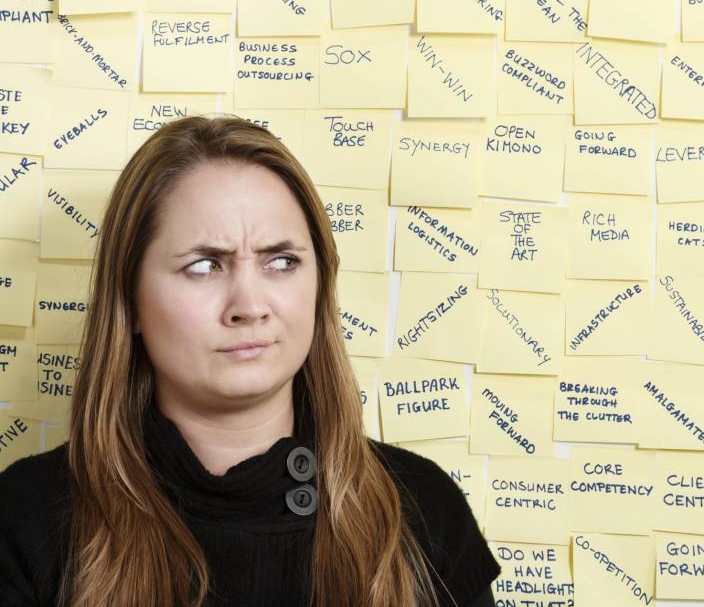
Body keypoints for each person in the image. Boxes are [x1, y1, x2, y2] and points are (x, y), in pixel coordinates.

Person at [0, 115, 501, 607]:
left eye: (281, 261)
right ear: (130, 301)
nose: (250, 305)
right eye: (204, 265)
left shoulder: (423, 511)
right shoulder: (25, 518)